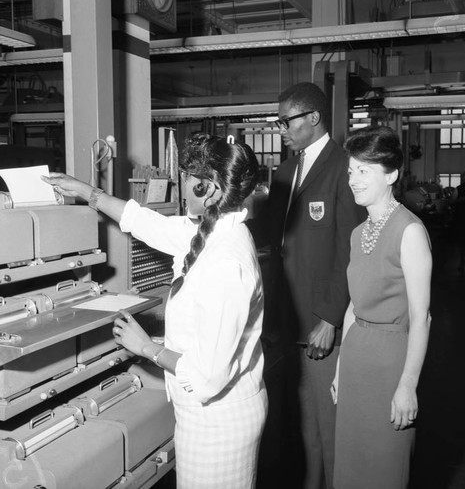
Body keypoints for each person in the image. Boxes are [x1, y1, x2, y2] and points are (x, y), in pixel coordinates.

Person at [42, 133, 268, 489]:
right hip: (206, 416)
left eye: (186, 182)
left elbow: (208, 378)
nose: (180, 190)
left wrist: (147, 347)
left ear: (206, 189)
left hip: (219, 423)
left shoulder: (226, 261)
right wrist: (87, 191)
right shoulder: (212, 231)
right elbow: (149, 224)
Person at [248, 82, 365, 489]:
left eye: (286, 120)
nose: (281, 128)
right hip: (283, 320)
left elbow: (349, 249)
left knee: (326, 425)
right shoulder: (284, 171)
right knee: (296, 427)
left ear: (313, 117)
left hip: (317, 323)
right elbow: (268, 238)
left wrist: (330, 317)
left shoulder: (344, 167)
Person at [332, 126, 432, 489]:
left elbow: (422, 318)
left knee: (383, 469)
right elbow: (352, 305)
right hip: (356, 361)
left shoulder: (410, 232)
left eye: (364, 171)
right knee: (350, 466)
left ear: (391, 174)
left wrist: (408, 384)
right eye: (351, 171)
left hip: (391, 365)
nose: (354, 180)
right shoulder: (359, 233)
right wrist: (341, 366)